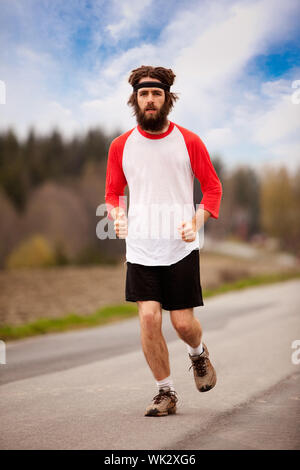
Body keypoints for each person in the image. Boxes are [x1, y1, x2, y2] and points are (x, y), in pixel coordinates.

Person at [105, 65, 222, 417]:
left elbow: (213, 188)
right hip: (141, 248)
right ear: (135, 100)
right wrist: (117, 215)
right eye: (144, 94)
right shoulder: (121, 146)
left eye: (156, 93)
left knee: (182, 324)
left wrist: (198, 219)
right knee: (149, 319)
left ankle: (198, 354)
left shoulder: (189, 141)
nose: (150, 100)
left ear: (167, 98)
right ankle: (165, 393)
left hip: (180, 248)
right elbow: (112, 193)